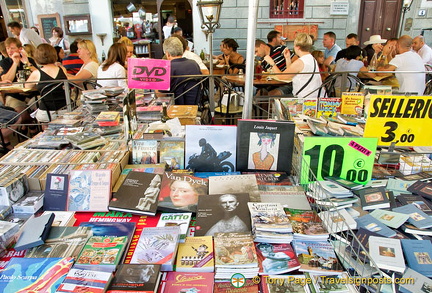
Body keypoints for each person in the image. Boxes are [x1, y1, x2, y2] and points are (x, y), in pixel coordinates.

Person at [265, 33, 322, 99]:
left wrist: (272, 63)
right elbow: (290, 73)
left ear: (298, 47)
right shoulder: (310, 58)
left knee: (274, 98)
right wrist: (287, 58)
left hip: (305, 98)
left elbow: (281, 77)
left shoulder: (300, 62)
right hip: (314, 95)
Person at [24, 44, 68, 123]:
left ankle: (41, 132)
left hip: (47, 112)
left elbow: (26, 86)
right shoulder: (63, 69)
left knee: (32, 107)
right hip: (66, 109)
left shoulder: (37, 73)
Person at [0, 37, 38, 125]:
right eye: (8, 48)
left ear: (20, 49)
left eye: (12, 48)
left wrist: (27, 63)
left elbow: (38, 75)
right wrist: (15, 63)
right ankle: (31, 127)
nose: (10, 51)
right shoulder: (4, 62)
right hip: (14, 95)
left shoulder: (29, 60)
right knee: (22, 115)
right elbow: (7, 80)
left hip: (32, 94)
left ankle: (32, 127)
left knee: (41, 108)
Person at [161, 37, 201, 105]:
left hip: (175, 108)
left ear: (167, 54)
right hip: (194, 106)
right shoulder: (194, 64)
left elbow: (161, 96)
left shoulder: (167, 68)